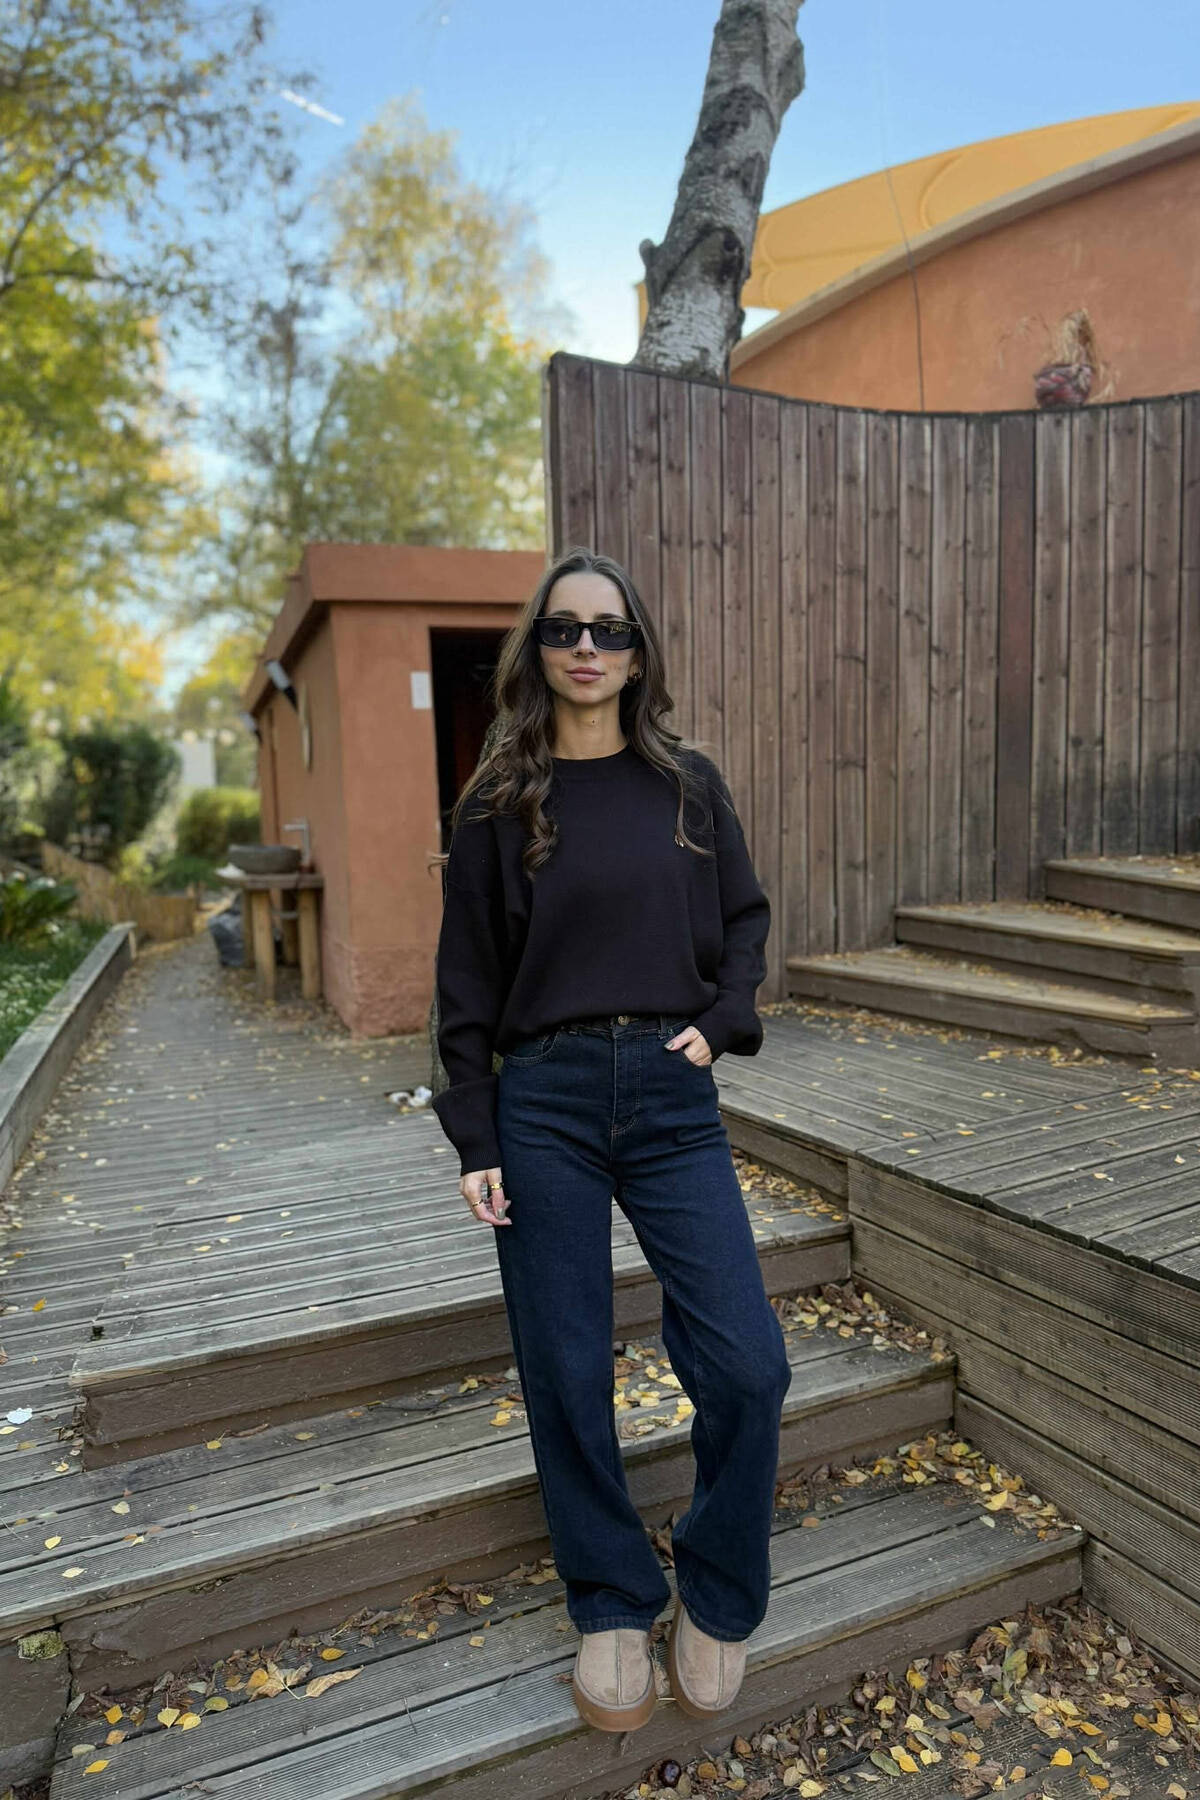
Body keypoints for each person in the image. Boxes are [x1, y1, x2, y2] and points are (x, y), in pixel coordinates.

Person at [429, 545, 791, 1734]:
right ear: (536, 651)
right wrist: (474, 1132)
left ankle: (718, 1588)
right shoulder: (497, 802)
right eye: (564, 628)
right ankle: (611, 1596)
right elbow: (466, 979)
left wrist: (721, 1023)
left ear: (639, 655)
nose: (587, 648)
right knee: (567, 1361)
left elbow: (744, 919)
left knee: (748, 1362)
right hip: (543, 1102)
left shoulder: (689, 785)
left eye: (610, 630)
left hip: (673, 1099)